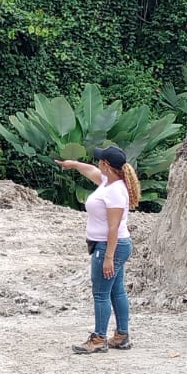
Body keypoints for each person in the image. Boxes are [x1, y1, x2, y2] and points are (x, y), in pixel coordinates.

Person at [57, 145, 141, 354]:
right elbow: (91, 171)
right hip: (113, 245)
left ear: (106, 165)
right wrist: (74, 164)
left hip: (108, 247)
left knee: (101, 293)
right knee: (116, 291)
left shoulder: (115, 192)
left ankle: (99, 339)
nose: (97, 163)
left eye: (100, 160)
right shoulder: (109, 182)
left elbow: (113, 227)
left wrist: (108, 257)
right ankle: (121, 336)